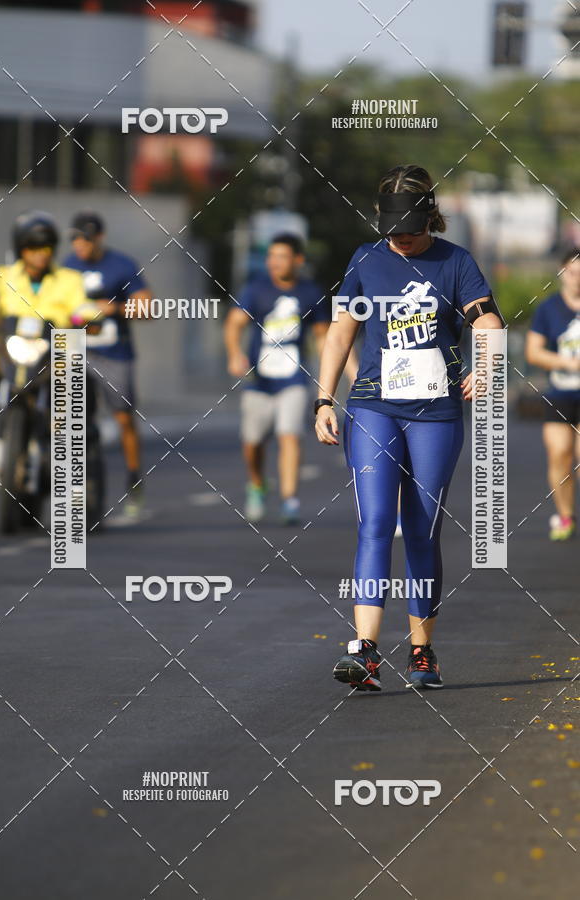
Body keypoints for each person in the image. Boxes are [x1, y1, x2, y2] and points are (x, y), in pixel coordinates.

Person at [315, 164, 504, 691]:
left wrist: (485, 365)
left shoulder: (455, 261)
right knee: (375, 522)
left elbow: (487, 319)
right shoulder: (366, 260)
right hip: (374, 406)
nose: (400, 240)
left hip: (435, 414)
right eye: (391, 230)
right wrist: (324, 399)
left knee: (421, 528)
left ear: (430, 220)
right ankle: (365, 651)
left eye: (409, 231)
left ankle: (422, 652)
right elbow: (339, 334)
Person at [225, 233, 358, 525]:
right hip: (258, 379)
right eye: (271, 256)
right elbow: (235, 323)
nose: (274, 262)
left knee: (289, 435)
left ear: (298, 260)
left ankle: (289, 500)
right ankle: (257, 484)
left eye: (282, 256)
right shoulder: (256, 288)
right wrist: (235, 353)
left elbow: (328, 338)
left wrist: (348, 373)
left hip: (294, 378)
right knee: (253, 441)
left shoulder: (310, 293)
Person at [0, 210, 99, 489]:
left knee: (79, 383)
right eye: (33, 248)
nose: (40, 254)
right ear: (22, 249)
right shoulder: (2, 275)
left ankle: (68, 451)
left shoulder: (69, 279)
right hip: (8, 351)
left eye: (45, 248)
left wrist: (89, 316)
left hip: (53, 355)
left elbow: (82, 304)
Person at [64, 211, 152, 520]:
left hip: (114, 353)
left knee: (124, 419)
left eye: (85, 239)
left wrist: (112, 308)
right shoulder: (65, 267)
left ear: (99, 238)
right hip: (75, 352)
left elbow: (147, 308)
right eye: (75, 238)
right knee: (66, 418)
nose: (80, 245)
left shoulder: (121, 265)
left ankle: (133, 479)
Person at [526, 248, 580, 540]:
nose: (577, 279)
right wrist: (566, 362)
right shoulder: (548, 309)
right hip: (560, 393)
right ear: (562, 273)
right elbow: (533, 352)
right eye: (573, 272)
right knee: (560, 454)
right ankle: (565, 515)